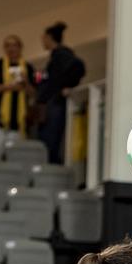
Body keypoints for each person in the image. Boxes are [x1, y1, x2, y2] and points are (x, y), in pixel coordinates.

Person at [36, 22, 85, 165]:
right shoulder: (56, 55)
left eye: (44, 38)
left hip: (55, 103)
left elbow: (78, 68)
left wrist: (67, 86)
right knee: (48, 140)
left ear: (49, 38)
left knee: (50, 140)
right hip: (53, 102)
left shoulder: (61, 54)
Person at [0, 35, 36, 147]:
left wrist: (26, 82)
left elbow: (33, 93)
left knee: (14, 158)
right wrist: (11, 87)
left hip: (18, 123)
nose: (11, 48)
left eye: (14, 45)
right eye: (7, 46)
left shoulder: (28, 67)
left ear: (20, 47)